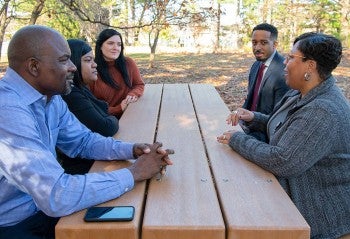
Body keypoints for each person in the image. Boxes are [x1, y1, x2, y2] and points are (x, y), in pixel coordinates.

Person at [0, 25, 173, 239]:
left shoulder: (50, 98)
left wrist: (133, 150)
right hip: (14, 225)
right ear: (34, 67)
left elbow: (83, 141)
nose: (73, 67)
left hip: (45, 211)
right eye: (64, 60)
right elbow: (56, 195)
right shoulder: (6, 110)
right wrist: (134, 173)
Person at [218, 32, 350, 239]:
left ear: (310, 66)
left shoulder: (323, 110)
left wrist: (238, 140)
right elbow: (288, 127)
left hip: (316, 209)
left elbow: (283, 160)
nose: (284, 63)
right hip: (291, 191)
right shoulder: (300, 92)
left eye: (290, 58)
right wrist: (255, 118)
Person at [59, 39, 119, 174]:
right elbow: (106, 127)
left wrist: (108, 115)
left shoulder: (81, 88)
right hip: (85, 167)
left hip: (96, 157)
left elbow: (104, 111)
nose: (95, 65)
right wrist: (112, 117)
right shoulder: (71, 94)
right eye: (87, 60)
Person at [241, 23, 289, 142]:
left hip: (265, 134)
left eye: (263, 42)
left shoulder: (285, 72)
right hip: (247, 125)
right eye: (254, 42)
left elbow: (280, 119)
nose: (257, 48)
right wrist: (239, 116)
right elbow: (250, 99)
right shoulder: (256, 65)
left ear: (275, 44)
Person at [90, 28, 145, 119]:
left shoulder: (128, 63)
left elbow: (139, 84)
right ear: (100, 46)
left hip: (131, 113)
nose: (116, 48)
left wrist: (132, 94)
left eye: (119, 44)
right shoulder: (92, 69)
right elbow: (91, 107)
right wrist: (119, 108)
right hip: (105, 120)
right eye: (110, 43)